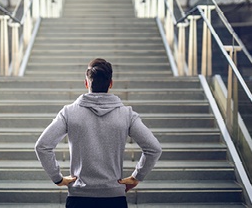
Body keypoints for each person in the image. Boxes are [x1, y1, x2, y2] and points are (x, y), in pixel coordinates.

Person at [35, 58, 162, 208]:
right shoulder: (126, 114)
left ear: (86, 82)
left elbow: (42, 146)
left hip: (79, 197)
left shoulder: (69, 113)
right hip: (114, 197)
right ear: (111, 83)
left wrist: (58, 178)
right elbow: (154, 148)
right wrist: (136, 177)